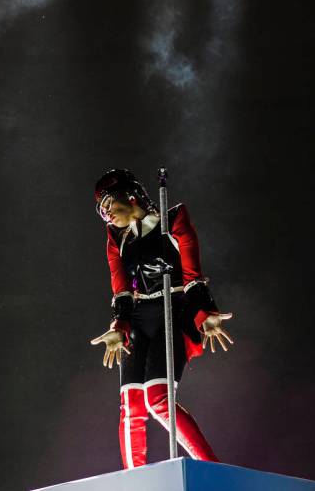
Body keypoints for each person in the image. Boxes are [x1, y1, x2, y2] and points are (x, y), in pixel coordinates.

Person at [91, 168, 233, 469]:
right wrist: (119, 326)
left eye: (108, 206)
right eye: (101, 212)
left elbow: (193, 275)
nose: (106, 216)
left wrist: (204, 312)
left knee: (158, 399)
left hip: (173, 309)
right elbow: (122, 291)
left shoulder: (174, 220)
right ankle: (135, 480)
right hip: (139, 317)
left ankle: (213, 469)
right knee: (131, 405)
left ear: (130, 197)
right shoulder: (117, 240)